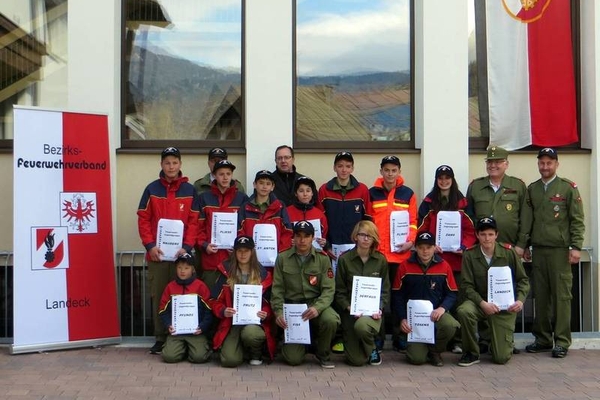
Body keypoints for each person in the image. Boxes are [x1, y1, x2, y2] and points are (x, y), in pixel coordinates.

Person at [137, 147, 200, 355]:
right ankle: (160, 336)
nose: (171, 166)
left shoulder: (190, 190)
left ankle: (184, 334)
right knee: (160, 295)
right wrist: (149, 246)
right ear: (161, 165)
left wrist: (188, 248)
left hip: (182, 255)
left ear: (180, 164)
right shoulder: (151, 189)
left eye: (174, 162)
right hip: (158, 254)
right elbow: (143, 219)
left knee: (184, 295)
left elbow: (194, 222)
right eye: (167, 163)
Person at [524, 148, 585, 359]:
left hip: (560, 251)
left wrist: (576, 247)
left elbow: (577, 220)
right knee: (540, 297)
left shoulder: (568, 188)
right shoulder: (532, 189)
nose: (545, 167)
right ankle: (542, 339)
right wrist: (526, 246)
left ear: (556, 164)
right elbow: (528, 221)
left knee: (561, 297)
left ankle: (561, 341)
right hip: (538, 250)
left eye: (549, 163)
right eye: (542, 163)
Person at [418, 164, 476, 354]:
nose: (443, 181)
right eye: (440, 178)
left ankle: (457, 340)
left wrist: (464, 246)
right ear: (436, 180)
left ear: (452, 180)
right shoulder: (428, 202)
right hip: (434, 262)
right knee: (436, 300)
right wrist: (431, 245)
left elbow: (470, 230)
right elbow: (421, 229)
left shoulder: (462, 202)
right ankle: (434, 337)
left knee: (458, 300)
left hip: (457, 262)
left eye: (447, 178)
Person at [317, 151, 372, 353]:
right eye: (340, 166)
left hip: (355, 252)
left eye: (347, 166)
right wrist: (327, 246)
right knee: (334, 291)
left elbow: (367, 221)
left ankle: (352, 336)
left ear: (352, 168)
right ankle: (335, 337)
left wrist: (362, 246)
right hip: (331, 251)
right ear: (334, 168)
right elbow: (320, 223)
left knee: (351, 292)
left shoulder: (362, 190)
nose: (343, 170)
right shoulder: (324, 190)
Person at [456, 217, 530, 366]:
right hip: (480, 302)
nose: (487, 238)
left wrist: (520, 300)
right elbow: (467, 286)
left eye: (490, 234)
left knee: (501, 358)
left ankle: (497, 343)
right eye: (483, 234)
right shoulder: (470, 255)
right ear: (477, 235)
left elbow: (523, 280)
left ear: (496, 235)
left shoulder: (508, 253)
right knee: (464, 311)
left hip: (504, 306)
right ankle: (471, 352)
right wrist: (482, 303)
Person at [271, 221, 340, 368]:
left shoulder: (322, 259)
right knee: (293, 359)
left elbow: (329, 290)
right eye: (299, 236)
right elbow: (277, 289)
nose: (302, 240)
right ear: (293, 238)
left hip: (314, 305)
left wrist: (318, 308)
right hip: (292, 308)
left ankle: (323, 354)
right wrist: (278, 312)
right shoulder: (282, 258)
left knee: (331, 319)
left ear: (313, 238)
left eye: (307, 236)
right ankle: (297, 344)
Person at [369, 155, 417, 352]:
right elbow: (368, 222)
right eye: (386, 170)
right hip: (378, 256)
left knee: (399, 297)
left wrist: (411, 242)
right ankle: (377, 338)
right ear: (381, 171)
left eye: (393, 170)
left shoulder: (408, 194)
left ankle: (400, 337)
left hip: (400, 255)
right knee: (376, 298)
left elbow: (414, 221)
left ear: (399, 171)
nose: (390, 174)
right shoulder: (371, 193)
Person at [392, 232, 460, 366]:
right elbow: (397, 296)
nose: (425, 251)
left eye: (429, 247)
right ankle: (420, 347)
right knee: (416, 359)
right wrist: (402, 318)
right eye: (421, 247)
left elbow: (452, 293)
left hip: (436, 314)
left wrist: (442, 308)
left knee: (450, 325)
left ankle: (435, 351)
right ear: (415, 248)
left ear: (435, 248)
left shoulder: (444, 266)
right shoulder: (404, 266)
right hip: (414, 319)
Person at [211, 236, 276, 367]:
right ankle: (240, 350)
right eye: (239, 250)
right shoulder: (225, 272)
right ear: (234, 252)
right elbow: (213, 300)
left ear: (252, 252)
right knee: (230, 360)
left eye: (246, 250)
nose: (242, 254)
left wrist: (265, 313)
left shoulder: (263, 274)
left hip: (254, 322)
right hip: (231, 322)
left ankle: (255, 352)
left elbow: (269, 303)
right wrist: (223, 311)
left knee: (251, 335)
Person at [335, 220, 390, 366]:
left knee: (362, 327)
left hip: (373, 314)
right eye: (362, 235)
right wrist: (349, 308)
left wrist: (379, 307)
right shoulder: (344, 259)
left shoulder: (381, 260)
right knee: (356, 361)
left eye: (370, 236)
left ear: (374, 239)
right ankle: (368, 347)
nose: (366, 239)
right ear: (355, 236)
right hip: (351, 314)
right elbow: (339, 292)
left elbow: (385, 291)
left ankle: (372, 348)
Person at [465, 145, 531, 257]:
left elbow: (526, 217)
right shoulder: (475, 186)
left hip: (510, 247)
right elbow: (468, 218)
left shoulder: (518, 186)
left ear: (506, 164)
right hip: (480, 248)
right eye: (489, 162)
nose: (493, 166)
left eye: (497, 162)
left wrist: (522, 244)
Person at [197, 160, 248, 291]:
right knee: (209, 299)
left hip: (234, 260)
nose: (225, 177)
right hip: (211, 260)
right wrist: (204, 245)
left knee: (232, 302)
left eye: (228, 174)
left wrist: (239, 245)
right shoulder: (204, 198)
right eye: (221, 174)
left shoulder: (241, 198)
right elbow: (198, 227)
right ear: (215, 175)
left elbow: (246, 226)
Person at [158, 253, 213, 363]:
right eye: (179, 267)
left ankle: (194, 348)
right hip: (177, 332)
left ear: (192, 270)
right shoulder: (170, 287)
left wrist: (202, 327)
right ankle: (180, 349)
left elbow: (209, 310)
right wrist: (169, 324)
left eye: (186, 268)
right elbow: (162, 310)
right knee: (169, 357)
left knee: (199, 358)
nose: (182, 271)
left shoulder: (200, 286)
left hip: (196, 332)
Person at [238, 170, 293, 262]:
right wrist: (247, 252)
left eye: (268, 184)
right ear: (254, 185)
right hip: (250, 259)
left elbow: (287, 231)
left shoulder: (280, 206)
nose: (264, 186)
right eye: (261, 183)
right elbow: (240, 232)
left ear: (272, 187)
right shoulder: (245, 207)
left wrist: (281, 254)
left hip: (275, 258)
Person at [286, 176, 328, 250]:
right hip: (292, 256)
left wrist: (325, 242)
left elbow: (325, 235)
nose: (305, 194)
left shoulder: (320, 214)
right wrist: (287, 242)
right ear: (296, 193)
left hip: (314, 256)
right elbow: (282, 235)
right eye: (301, 191)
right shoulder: (287, 212)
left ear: (312, 193)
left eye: (308, 191)